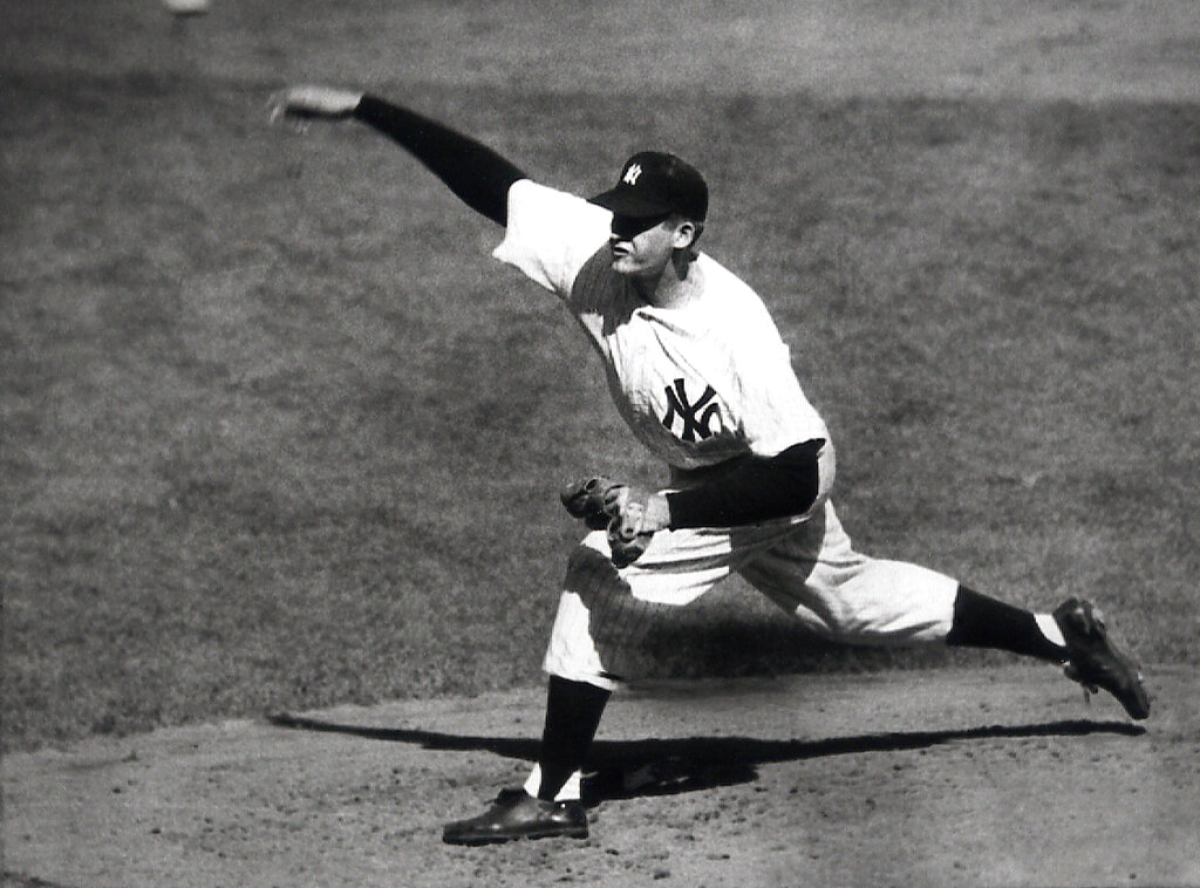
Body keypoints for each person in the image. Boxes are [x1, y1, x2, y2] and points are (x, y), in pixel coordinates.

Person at [270, 85, 1150, 846]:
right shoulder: (599, 251)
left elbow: (799, 476)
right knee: (849, 598)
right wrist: (365, 109)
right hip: (720, 472)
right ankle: (1057, 633)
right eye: (615, 211)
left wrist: (663, 512)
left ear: (684, 232)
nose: (616, 228)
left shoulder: (737, 333)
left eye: (638, 221)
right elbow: (493, 184)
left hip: (768, 474)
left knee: (601, 569)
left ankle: (553, 795)